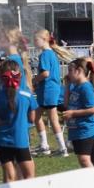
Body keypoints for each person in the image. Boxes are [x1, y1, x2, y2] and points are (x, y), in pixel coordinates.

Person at [0, 59, 37, 182]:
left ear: (1, 77)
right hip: (20, 139)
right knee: (29, 175)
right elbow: (32, 118)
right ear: (19, 75)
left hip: (2, 140)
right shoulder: (27, 95)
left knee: (9, 176)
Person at [32, 29, 71, 157]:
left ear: (44, 40)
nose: (34, 42)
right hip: (49, 89)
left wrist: (34, 80)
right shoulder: (51, 54)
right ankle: (44, 145)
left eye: (36, 39)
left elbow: (45, 73)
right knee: (36, 116)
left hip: (48, 89)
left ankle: (62, 148)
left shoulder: (45, 55)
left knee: (52, 118)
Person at [62, 58, 94, 167]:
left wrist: (73, 114)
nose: (68, 74)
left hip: (86, 128)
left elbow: (93, 109)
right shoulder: (75, 87)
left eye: (70, 70)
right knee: (90, 160)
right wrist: (67, 86)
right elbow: (66, 105)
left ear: (79, 70)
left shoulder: (85, 87)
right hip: (78, 129)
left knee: (85, 159)